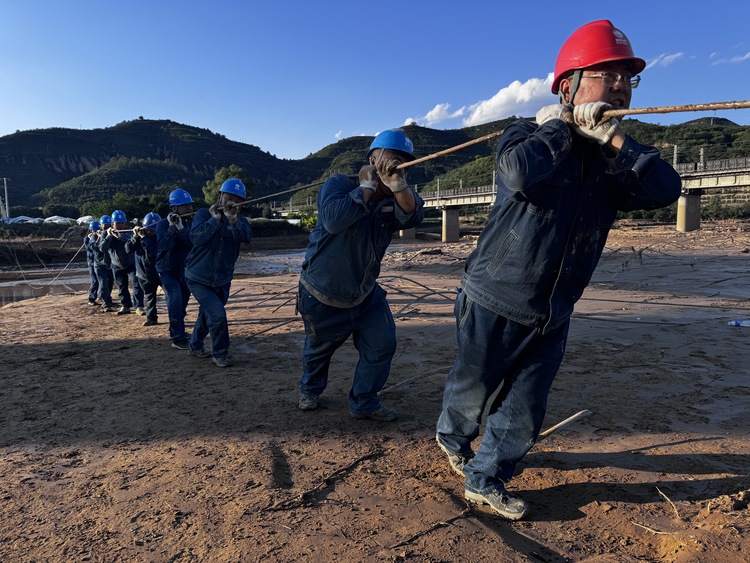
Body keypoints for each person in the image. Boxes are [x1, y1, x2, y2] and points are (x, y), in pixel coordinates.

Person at [435, 20, 682, 520]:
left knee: (525, 406)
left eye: (627, 77)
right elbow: (519, 173)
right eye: (605, 73)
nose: (619, 84)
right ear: (569, 84)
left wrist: (614, 139)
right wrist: (561, 127)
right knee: (472, 388)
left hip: (553, 310)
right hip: (491, 297)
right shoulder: (525, 136)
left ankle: (486, 477)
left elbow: (666, 190)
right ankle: (452, 436)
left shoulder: (613, 163)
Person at [297, 129, 425, 421]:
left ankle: (364, 402)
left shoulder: (398, 195)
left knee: (383, 344)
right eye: (391, 157)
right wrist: (366, 187)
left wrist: (398, 186)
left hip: (365, 293)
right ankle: (310, 389)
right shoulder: (338, 185)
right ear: (373, 158)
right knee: (318, 351)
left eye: (404, 160)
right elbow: (332, 221)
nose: (396, 163)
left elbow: (415, 214)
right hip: (321, 292)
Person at [184, 178, 252, 367]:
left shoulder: (241, 221)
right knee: (217, 314)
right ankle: (220, 353)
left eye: (238, 200)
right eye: (229, 198)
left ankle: (195, 345)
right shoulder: (203, 215)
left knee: (207, 314)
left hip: (222, 279)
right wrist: (215, 219)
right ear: (220, 196)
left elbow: (245, 238)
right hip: (198, 277)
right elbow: (196, 239)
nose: (232, 202)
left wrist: (233, 220)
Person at [156, 189, 195, 349]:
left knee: (183, 301)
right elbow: (164, 246)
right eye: (185, 206)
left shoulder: (189, 223)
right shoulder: (162, 224)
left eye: (190, 206)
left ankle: (177, 327)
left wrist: (180, 228)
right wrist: (172, 228)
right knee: (175, 299)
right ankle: (177, 337)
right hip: (167, 270)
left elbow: (191, 242)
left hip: (184, 269)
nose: (189, 209)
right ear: (174, 208)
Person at [99, 209, 145, 315]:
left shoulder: (129, 232)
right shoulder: (105, 234)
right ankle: (126, 306)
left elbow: (129, 243)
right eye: (117, 223)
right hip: (116, 265)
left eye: (122, 223)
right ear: (112, 224)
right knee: (122, 286)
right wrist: (109, 236)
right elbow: (102, 248)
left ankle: (139, 306)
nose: (120, 225)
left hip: (132, 263)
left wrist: (132, 235)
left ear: (125, 223)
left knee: (136, 284)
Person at [126, 212, 161, 326]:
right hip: (144, 274)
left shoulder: (160, 237)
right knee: (150, 297)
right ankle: (151, 319)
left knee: (171, 296)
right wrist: (135, 237)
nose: (152, 232)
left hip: (159, 273)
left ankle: (176, 320)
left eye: (154, 229)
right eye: (150, 229)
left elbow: (151, 253)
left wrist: (144, 238)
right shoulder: (139, 238)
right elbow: (128, 249)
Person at [92, 214, 116, 313]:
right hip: (99, 264)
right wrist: (99, 237)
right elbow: (97, 248)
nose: (106, 228)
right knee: (103, 283)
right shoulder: (95, 236)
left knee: (110, 283)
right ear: (101, 226)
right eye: (104, 226)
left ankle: (106, 298)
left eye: (108, 226)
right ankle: (107, 304)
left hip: (109, 264)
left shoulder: (112, 235)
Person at [84, 220, 101, 306]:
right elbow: (90, 249)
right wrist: (92, 240)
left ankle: (102, 297)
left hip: (100, 262)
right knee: (95, 281)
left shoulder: (101, 236)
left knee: (104, 280)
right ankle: (92, 298)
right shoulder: (87, 239)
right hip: (91, 262)